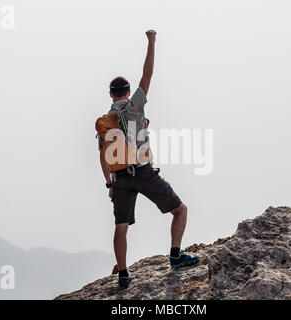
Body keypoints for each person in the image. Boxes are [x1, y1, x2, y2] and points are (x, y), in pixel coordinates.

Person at [97, 30, 199, 289]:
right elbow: (148, 73)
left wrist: (110, 184)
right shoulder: (135, 107)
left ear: (110, 95)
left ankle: (123, 274)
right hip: (143, 172)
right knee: (180, 210)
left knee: (121, 227)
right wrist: (151, 41)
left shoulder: (105, 123)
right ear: (129, 92)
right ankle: (176, 256)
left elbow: (102, 156)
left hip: (119, 178)